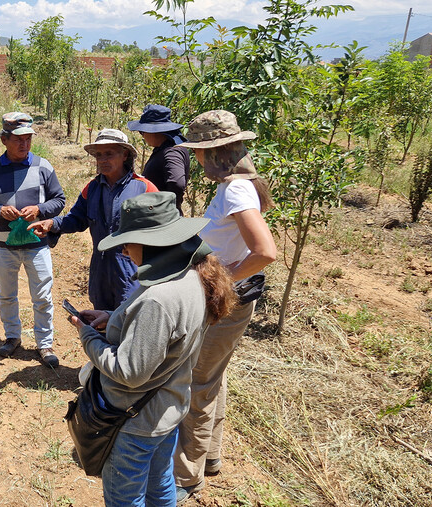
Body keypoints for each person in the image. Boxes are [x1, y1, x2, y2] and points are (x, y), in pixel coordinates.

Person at [67, 191, 237, 506]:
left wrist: (87, 336)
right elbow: (165, 336)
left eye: (129, 242)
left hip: (135, 422)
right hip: (167, 410)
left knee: (126, 498)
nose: (124, 249)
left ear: (152, 243)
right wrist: (114, 318)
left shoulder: (157, 299)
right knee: (160, 486)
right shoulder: (190, 275)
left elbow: (129, 372)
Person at [171, 110, 278, 504]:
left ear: (214, 152)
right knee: (213, 376)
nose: (197, 159)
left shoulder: (235, 191)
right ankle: (210, 455)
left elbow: (265, 251)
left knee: (196, 383)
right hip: (229, 301)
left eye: (199, 152)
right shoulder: (239, 185)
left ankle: (186, 476)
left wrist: (223, 280)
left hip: (224, 301)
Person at [0, 112, 66, 367]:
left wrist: (39, 210)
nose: (24, 144)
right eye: (18, 139)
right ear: (4, 140)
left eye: (28, 139)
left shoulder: (43, 167)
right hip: (3, 245)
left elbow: (59, 200)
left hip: (37, 244)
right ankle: (12, 336)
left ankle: (44, 344)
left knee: (42, 296)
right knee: (7, 294)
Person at [29, 129, 157, 313]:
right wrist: (52, 224)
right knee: (101, 319)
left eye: (109, 154)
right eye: (99, 155)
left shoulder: (144, 188)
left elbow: (160, 231)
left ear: (125, 155)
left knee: (130, 318)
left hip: (132, 271)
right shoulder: (92, 189)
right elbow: (76, 218)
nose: (103, 160)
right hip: (100, 270)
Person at [127, 105, 191, 215]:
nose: (142, 135)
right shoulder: (165, 149)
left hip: (163, 219)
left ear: (155, 131)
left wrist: (164, 210)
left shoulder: (172, 152)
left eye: (142, 131)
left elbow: (177, 183)